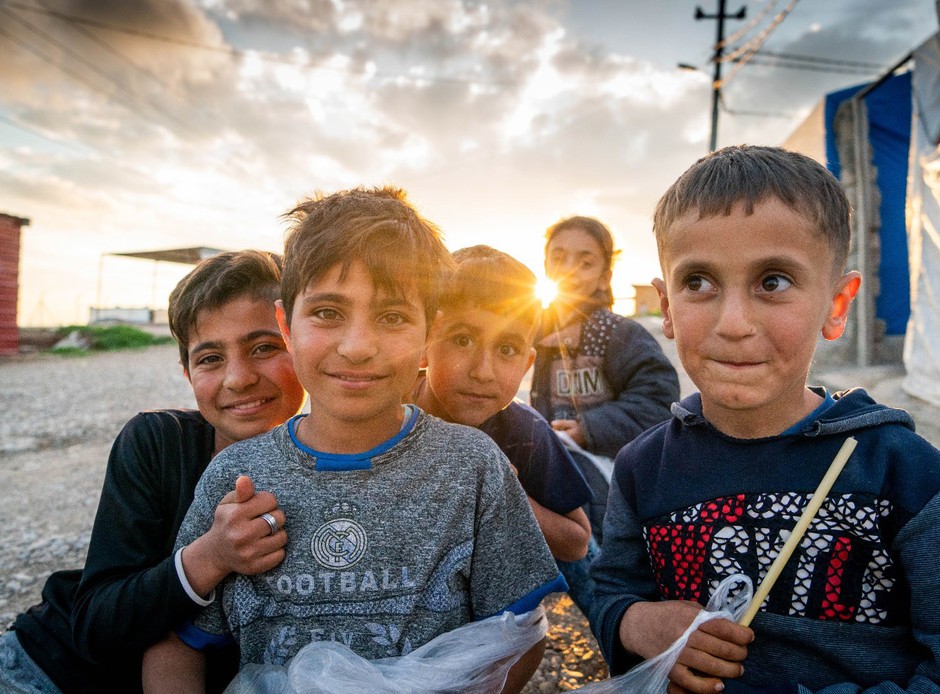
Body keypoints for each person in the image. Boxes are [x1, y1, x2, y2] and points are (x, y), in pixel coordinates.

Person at [142, 187, 566, 694]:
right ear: (286, 325)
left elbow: (520, 632)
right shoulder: (236, 478)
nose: (358, 346)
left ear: (428, 333)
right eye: (327, 312)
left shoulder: (473, 467)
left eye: (392, 317)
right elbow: (179, 642)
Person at [590, 145, 940, 693]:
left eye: (772, 281)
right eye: (698, 282)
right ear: (666, 308)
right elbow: (610, 589)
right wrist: (638, 623)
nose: (733, 323)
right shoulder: (643, 468)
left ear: (836, 305)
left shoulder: (904, 473)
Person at [0, 250, 307, 693]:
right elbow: (95, 624)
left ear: (303, 344)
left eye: (264, 348)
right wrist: (212, 556)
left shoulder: (337, 462)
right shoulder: (158, 443)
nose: (238, 378)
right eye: (210, 359)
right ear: (186, 373)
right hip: (51, 671)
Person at [411, 244, 593, 562]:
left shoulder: (526, 432)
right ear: (423, 344)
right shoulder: (387, 414)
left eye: (507, 349)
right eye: (463, 340)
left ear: (526, 364)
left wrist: (508, 494)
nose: (483, 372)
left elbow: (577, 544)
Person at [531, 214, 680, 547]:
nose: (569, 269)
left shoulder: (617, 333)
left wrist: (588, 429)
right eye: (558, 258)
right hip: (555, 466)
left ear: (604, 276)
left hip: (607, 474)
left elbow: (658, 400)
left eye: (585, 263)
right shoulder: (537, 329)